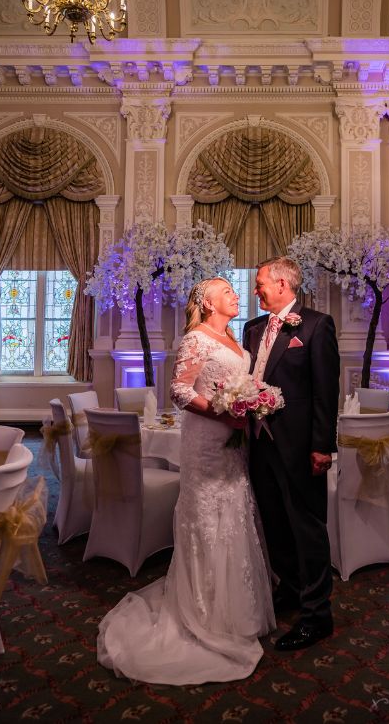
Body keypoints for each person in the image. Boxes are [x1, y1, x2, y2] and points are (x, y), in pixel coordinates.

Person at [97, 277, 275, 684]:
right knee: (208, 517)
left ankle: (234, 610)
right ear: (208, 303)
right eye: (227, 291)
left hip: (235, 442)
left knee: (235, 512)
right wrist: (224, 412)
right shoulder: (195, 338)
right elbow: (178, 390)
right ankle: (202, 611)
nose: (236, 295)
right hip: (207, 440)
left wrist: (248, 406)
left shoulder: (233, 337)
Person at [243, 256, 340, 651]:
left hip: (301, 447)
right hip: (259, 444)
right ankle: (291, 588)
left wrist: (322, 445)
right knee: (274, 523)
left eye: (260, 282)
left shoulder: (316, 325)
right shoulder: (251, 329)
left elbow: (325, 390)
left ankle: (317, 615)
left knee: (307, 528)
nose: (256, 290)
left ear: (282, 284)